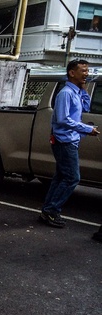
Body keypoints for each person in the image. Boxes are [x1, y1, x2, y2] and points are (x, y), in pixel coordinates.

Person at [39, 59, 100, 228]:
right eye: (83, 71)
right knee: (72, 178)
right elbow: (63, 119)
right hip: (64, 140)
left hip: (71, 139)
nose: (86, 74)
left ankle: (47, 211)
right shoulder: (65, 93)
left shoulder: (77, 92)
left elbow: (85, 109)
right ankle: (51, 211)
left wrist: (84, 90)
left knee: (60, 177)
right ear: (72, 73)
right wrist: (87, 129)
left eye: (87, 71)